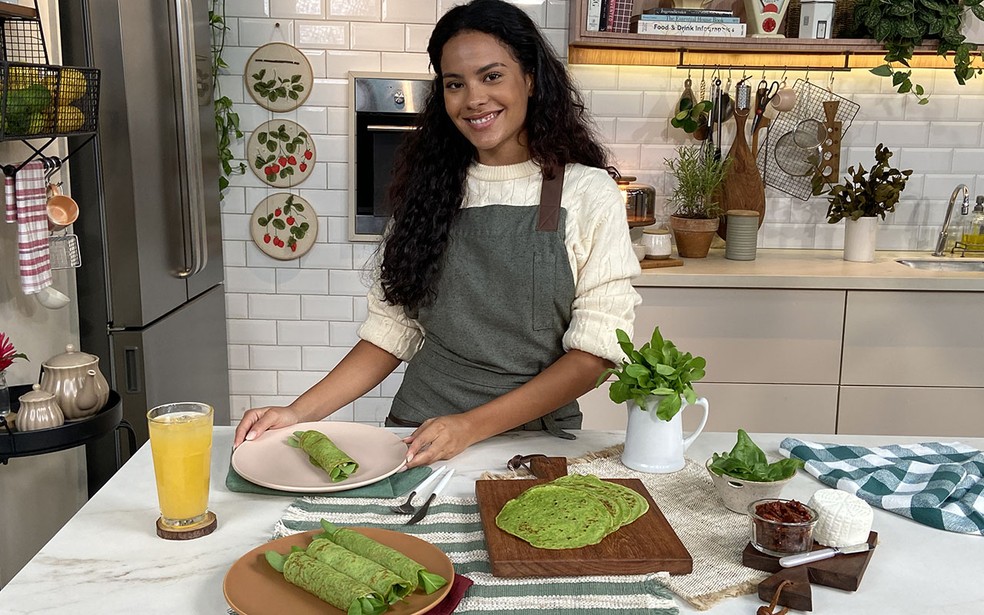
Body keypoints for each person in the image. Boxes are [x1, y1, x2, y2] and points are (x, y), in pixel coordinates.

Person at [233, 0, 641, 468]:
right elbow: (391, 331)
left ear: (530, 78)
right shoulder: (429, 192)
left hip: (534, 444)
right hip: (418, 433)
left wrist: (469, 426)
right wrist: (297, 413)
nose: (473, 99)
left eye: (491, 76)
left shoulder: (587, 192)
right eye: (454, 84)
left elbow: (594, 356)